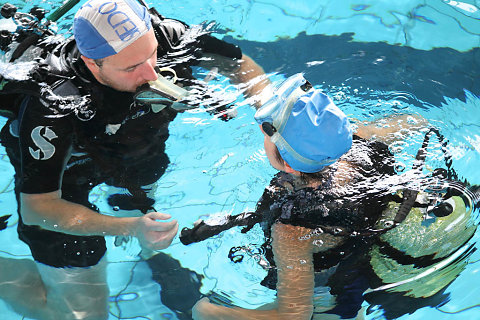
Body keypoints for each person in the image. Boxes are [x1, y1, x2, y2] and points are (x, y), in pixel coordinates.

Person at [0, 0, 268, 319]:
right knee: (81, 314)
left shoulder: (168, 37)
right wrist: (130, 227)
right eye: (131, 67)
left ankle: (143, 231)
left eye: (151, 53)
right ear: (91, 63)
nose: (152, 72)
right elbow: (38, 208)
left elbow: (240, 65)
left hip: (135, 145)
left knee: (148, 171)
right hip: (68, 171)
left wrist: (271, 117)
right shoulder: (53, 105)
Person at [185, 74, 475, 319]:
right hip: (377, 238)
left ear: (286, 162)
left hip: (339, 286)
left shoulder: (292, 229)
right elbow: (415, 120)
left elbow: (294, 313)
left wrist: (210, 312)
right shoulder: (362, 138)